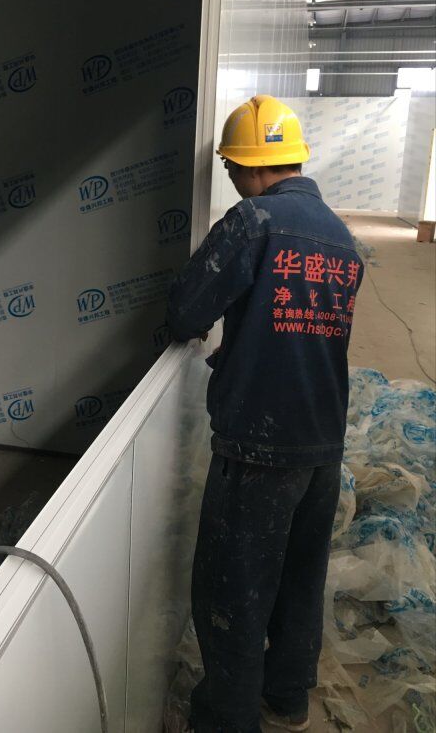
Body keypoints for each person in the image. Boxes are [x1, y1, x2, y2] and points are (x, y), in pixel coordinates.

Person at [166, 95, 363, 733]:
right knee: (300, 578)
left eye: (230, 168)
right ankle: (287, 700)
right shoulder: (341, 236)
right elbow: (306, 327)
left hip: (258, 444)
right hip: (323, 441)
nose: (229, 179)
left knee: (233, 589)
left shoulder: (252, 223)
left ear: (251, 167)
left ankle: (226, 720)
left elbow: (186, 311)